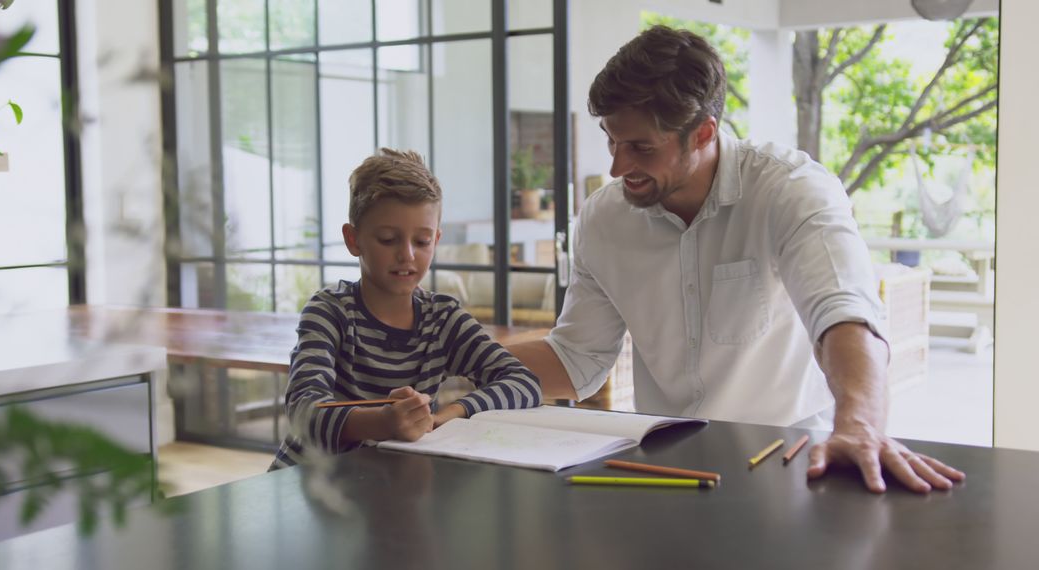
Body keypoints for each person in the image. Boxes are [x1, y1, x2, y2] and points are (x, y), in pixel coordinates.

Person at [508, 26, 964, 493]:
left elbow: (845, 313)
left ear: (703, 132)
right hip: (665, 469)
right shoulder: (605, 218)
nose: (617, 167)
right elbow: (577, 360)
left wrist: (862, 423)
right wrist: (455, 359)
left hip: (793, 465)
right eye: (612, 140)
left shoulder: (791, 189)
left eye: (642, 148)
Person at [271, 148, 542, 468]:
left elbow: (523, 382)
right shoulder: (330, 311)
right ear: (353, 239)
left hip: (382, 486)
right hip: (309, 484)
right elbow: (304, 410)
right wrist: (381, 422)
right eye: (388, 239)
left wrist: (451, 415)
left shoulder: (442, 319)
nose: (407, 255)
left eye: (422, 241)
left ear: (437, 240)